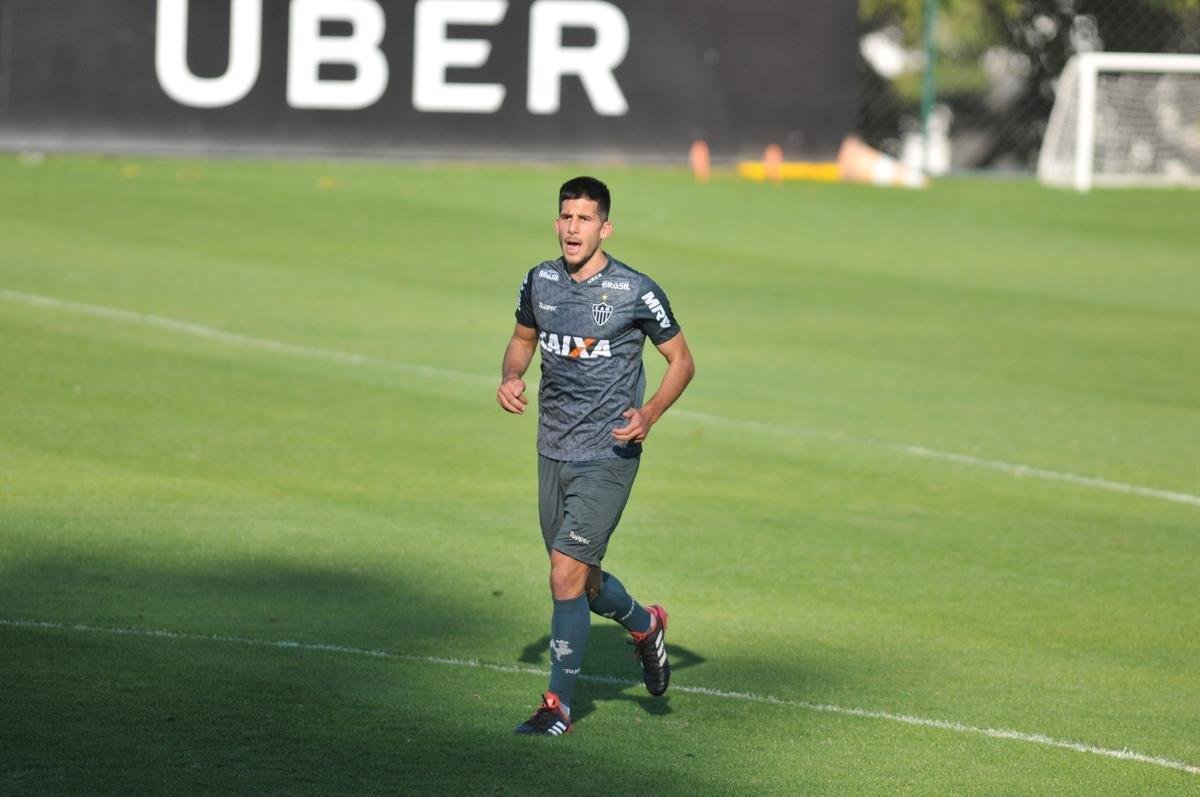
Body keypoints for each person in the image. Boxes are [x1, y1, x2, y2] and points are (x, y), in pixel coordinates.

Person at [497, 176, 695, 735]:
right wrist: (511, 376)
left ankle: (557, 707)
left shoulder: (636, 291)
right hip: (552, 449)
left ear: (604, 227)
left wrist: (650, 413)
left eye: (585, 219)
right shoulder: (540, 281)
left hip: (609, 451)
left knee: (563, 575)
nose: (573, 228)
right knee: (581, 581)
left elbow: (681, 360)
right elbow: (522, 339)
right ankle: (644, 624)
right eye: (566, 217)